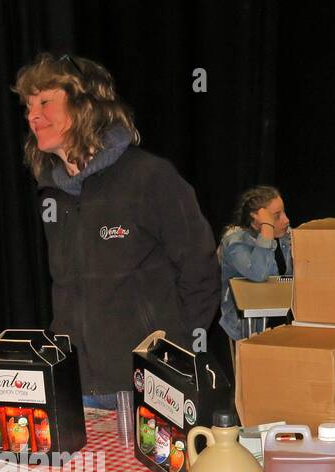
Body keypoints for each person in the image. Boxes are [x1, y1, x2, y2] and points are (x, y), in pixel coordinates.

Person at [14, 53, 220, 408]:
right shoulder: (53, 195)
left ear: (85, 105)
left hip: (147, 385)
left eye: (45, 102)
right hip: (78, 388)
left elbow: (201, 274)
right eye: (29, 106)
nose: (33, 116)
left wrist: (167, 358)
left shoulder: (150, 178)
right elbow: (67, 291)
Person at [218, 185, 292, 342]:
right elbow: (259, 274)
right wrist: (267, 228)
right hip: (243, 331)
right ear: (255, 219)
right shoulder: (235, 243)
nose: (286, 220)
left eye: (284, 212)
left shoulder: (285, 237)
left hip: (274, 322)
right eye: (276, 216)